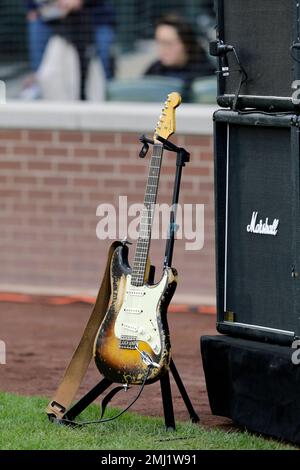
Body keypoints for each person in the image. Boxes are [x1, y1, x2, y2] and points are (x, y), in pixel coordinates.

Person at [22, 0, 115, 99]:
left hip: (93, 18)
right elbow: (37, 9)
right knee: (46, 73)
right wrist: (36, 7)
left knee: (97, 70)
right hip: (54, 20)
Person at [144, 15, 214, 101]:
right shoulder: (155, 69)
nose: (162, 49)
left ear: (186, 44)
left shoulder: (205, 72)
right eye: (159, 43)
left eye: (167, 43)